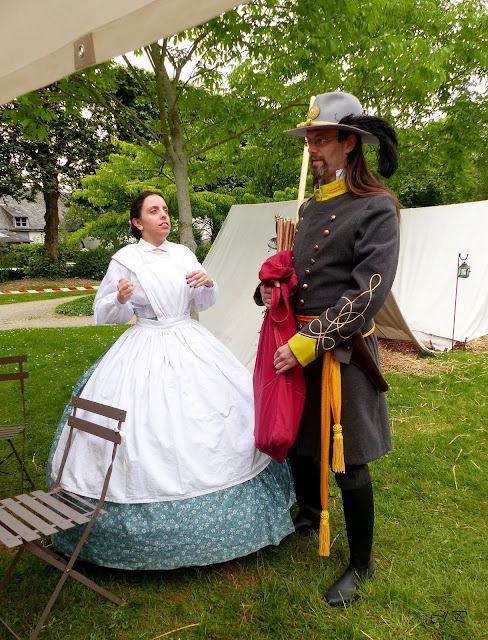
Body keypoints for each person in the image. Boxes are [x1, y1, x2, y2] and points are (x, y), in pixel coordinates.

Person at [47, 190, 294, 570]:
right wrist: (120, 298)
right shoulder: (125, 260)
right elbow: (103, 314)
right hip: (144, 342)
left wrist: (207, 283)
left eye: (164, 209)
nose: (163, 215)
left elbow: (204, 303)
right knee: (148, 427)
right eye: (153, 211)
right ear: (137, 222)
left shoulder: (182, 253)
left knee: (214, 415)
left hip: (189, 340)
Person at [260, 92, 400, 606]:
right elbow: (300, 276)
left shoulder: (377, 207)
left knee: (348, 460)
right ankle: (308, 514)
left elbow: (367, 295)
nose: (312, 150)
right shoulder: (310, 206)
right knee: (302, 442)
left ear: (350, 143)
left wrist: (307, 343)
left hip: (343, 354)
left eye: (320, 140)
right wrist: (269, 288)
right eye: (309, 141)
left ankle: (361, 565)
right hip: (297, 346)